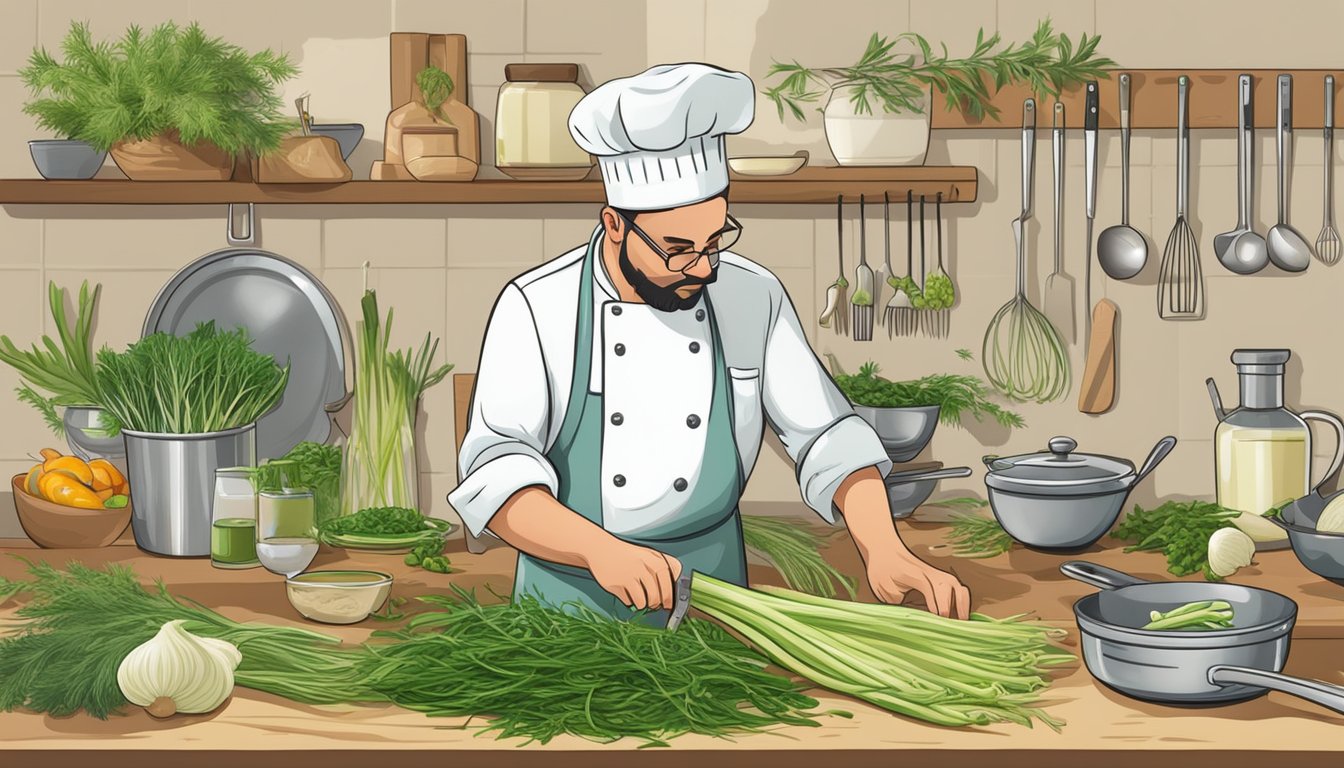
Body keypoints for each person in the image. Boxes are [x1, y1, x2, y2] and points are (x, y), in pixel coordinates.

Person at [448, 62, 969, 624]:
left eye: (715, 239)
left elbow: (828, 436)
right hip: (570, 607)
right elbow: (498, 475)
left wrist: (884, 546)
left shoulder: (752, 294)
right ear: (615, 225)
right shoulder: (536, 306)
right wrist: (599, 550)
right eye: (677, 248)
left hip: (713, 601)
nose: (703, 267)